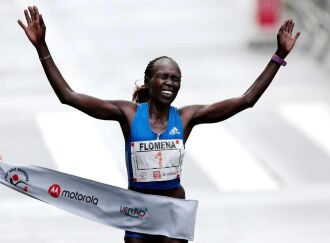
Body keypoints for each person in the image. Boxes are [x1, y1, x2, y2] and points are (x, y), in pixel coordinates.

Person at [18, 5, 300, 243]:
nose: (169, 82)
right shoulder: (127, 114)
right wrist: (41, 45)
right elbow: (68, 96)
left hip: (172, 210)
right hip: (138, 211)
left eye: (175, 78)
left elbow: (246, 99)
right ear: (149, 81)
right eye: (163, 76)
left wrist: (279, 56)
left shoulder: (187, 117)